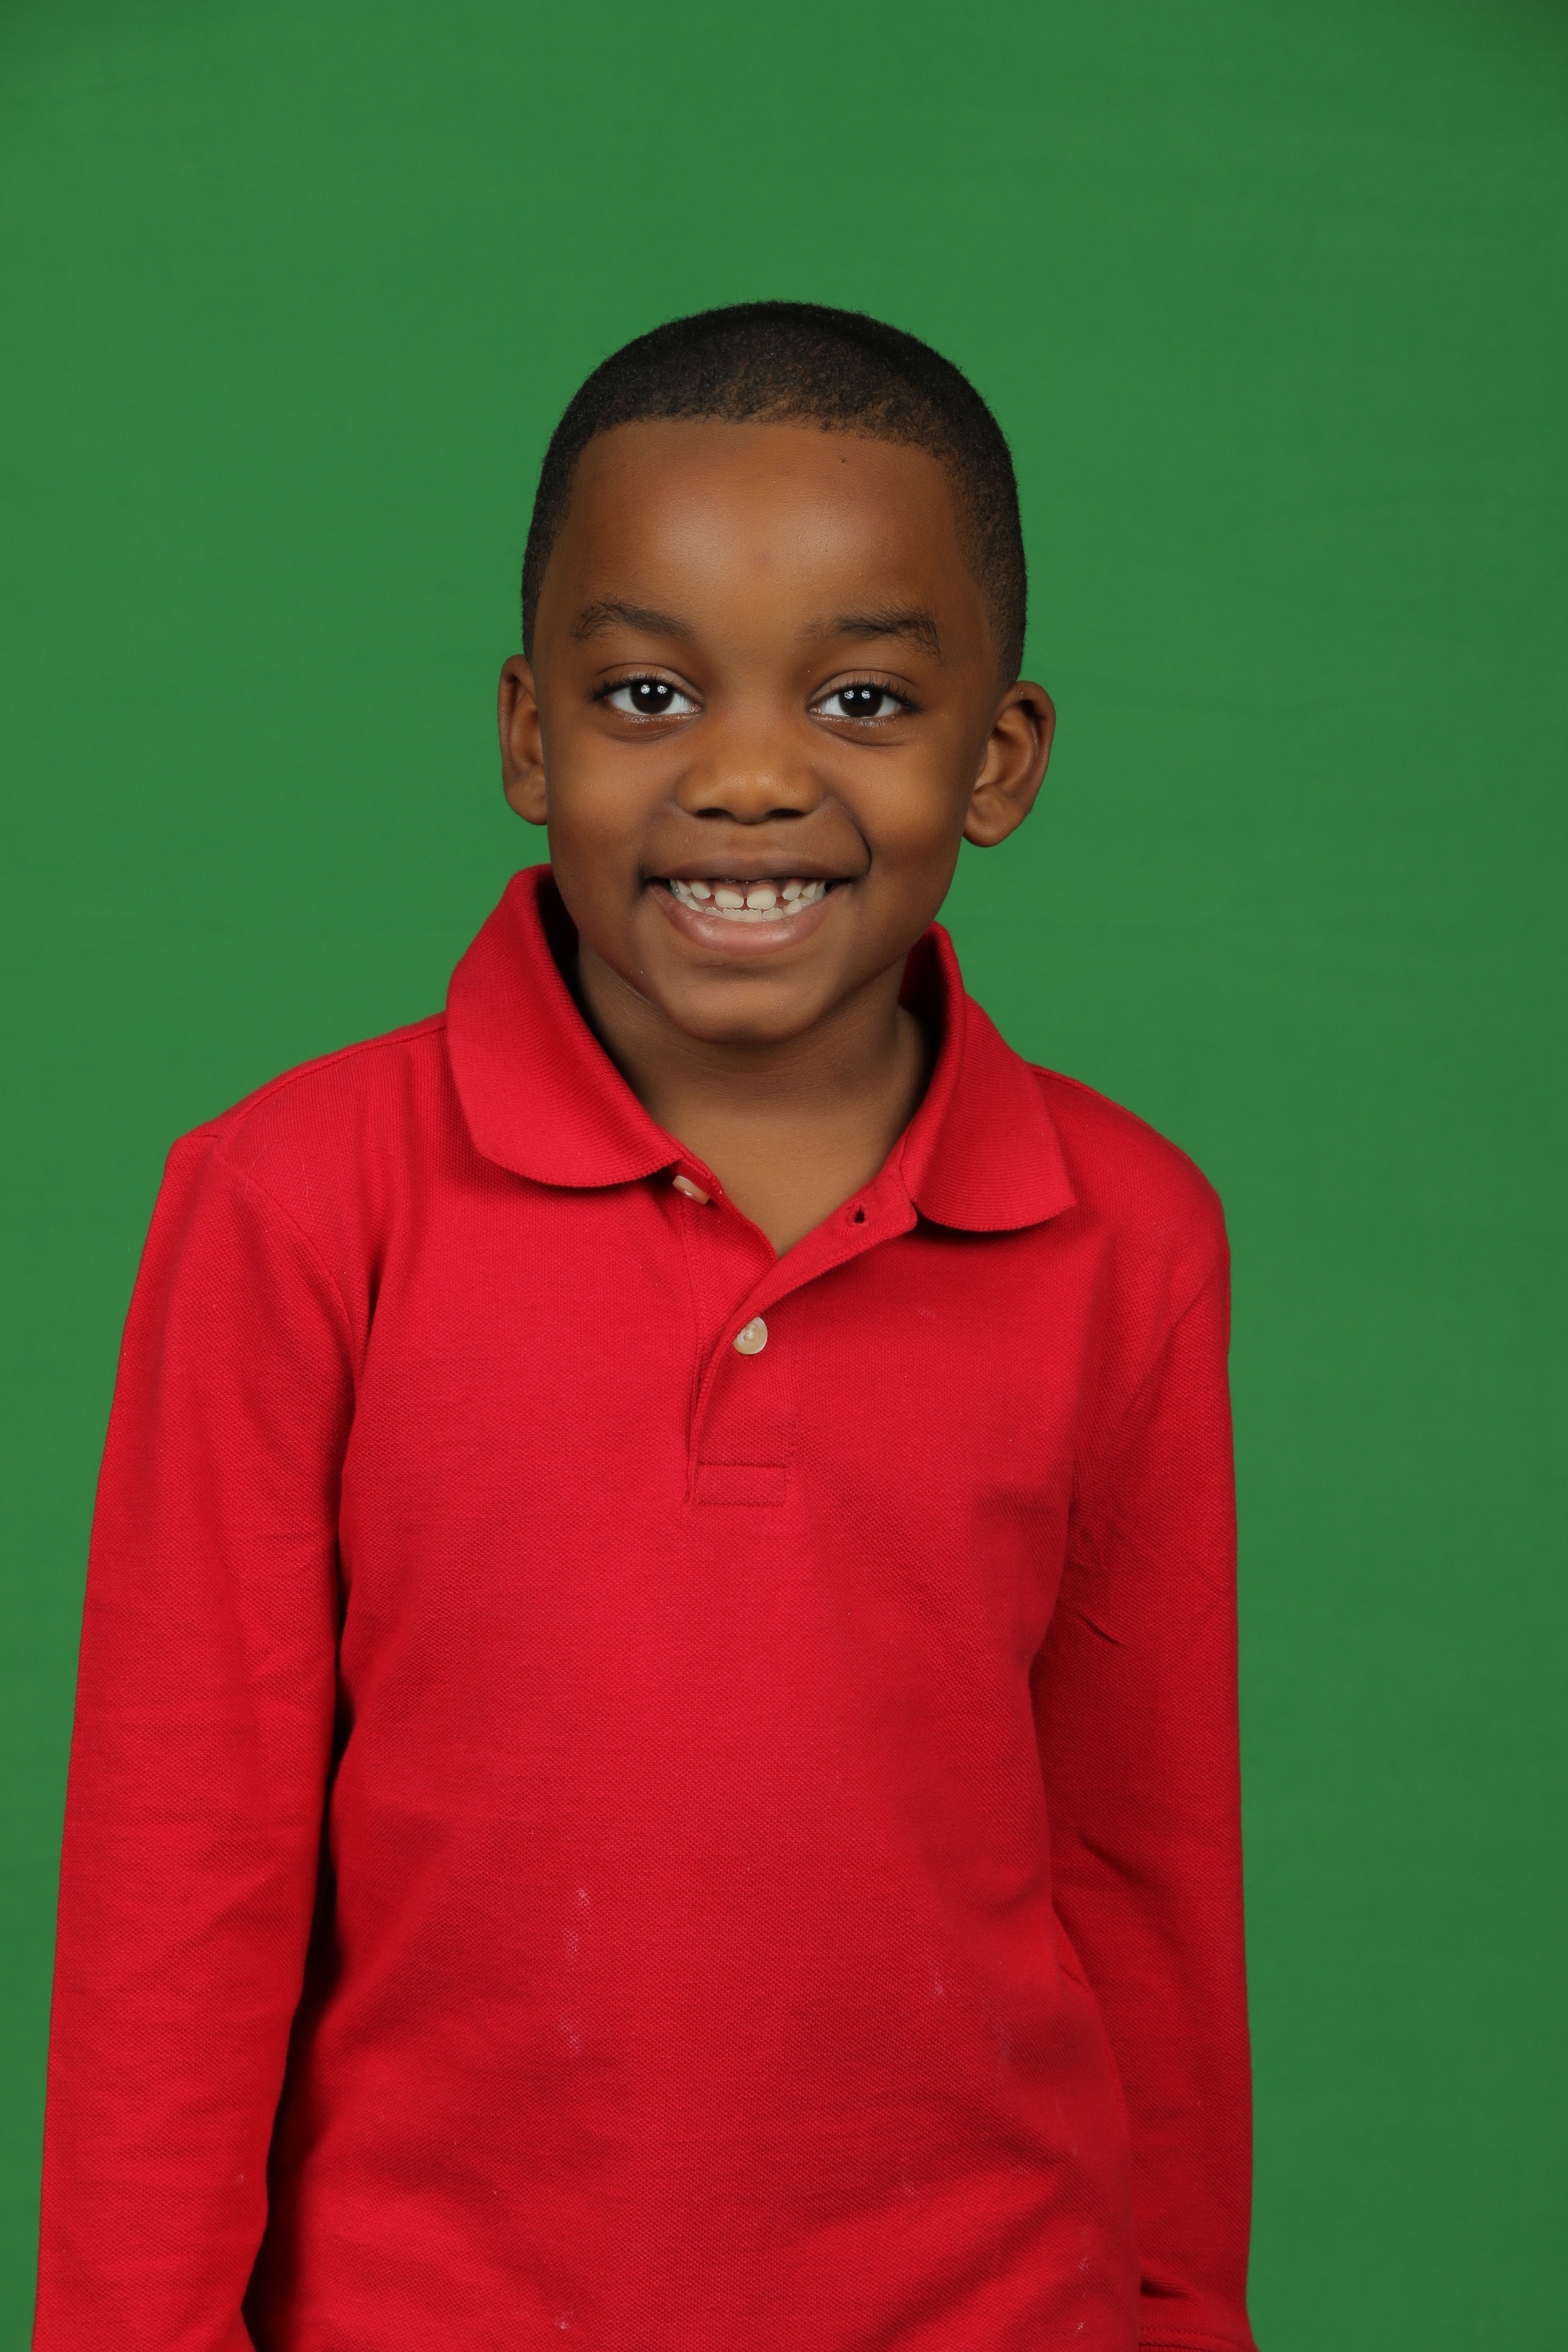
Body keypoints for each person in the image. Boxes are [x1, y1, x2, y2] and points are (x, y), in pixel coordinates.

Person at [34, 302, 1256, 2352]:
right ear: (529, 737)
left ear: (1001, 758)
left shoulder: (1126, 1236)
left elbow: (1143, 1882)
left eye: (863, 697)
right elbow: (182, 1883)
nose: (750, 777)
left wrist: (1185, 2318)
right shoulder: (294, 1202)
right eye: (648, 692)